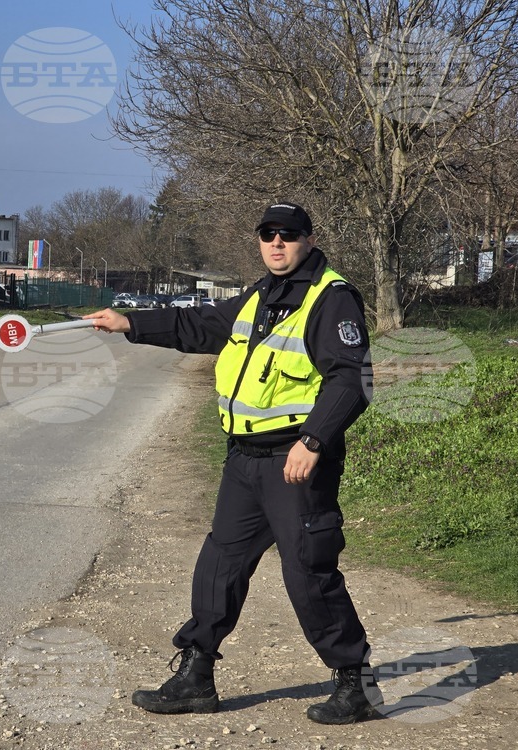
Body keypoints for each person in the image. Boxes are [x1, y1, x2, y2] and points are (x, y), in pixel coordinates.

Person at [85, 202, 379, 725]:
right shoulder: (261, 295)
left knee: (308, 572)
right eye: (268, 234)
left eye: (288, 235)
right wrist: (129, 322)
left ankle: (354, 684)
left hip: (294, 462)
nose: (277, 243)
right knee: (219, 566)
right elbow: (199, 325)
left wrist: (312, 443)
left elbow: (351, 381)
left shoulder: (330, 299)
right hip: (245, 460)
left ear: (309, 240)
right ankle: (196, 676)